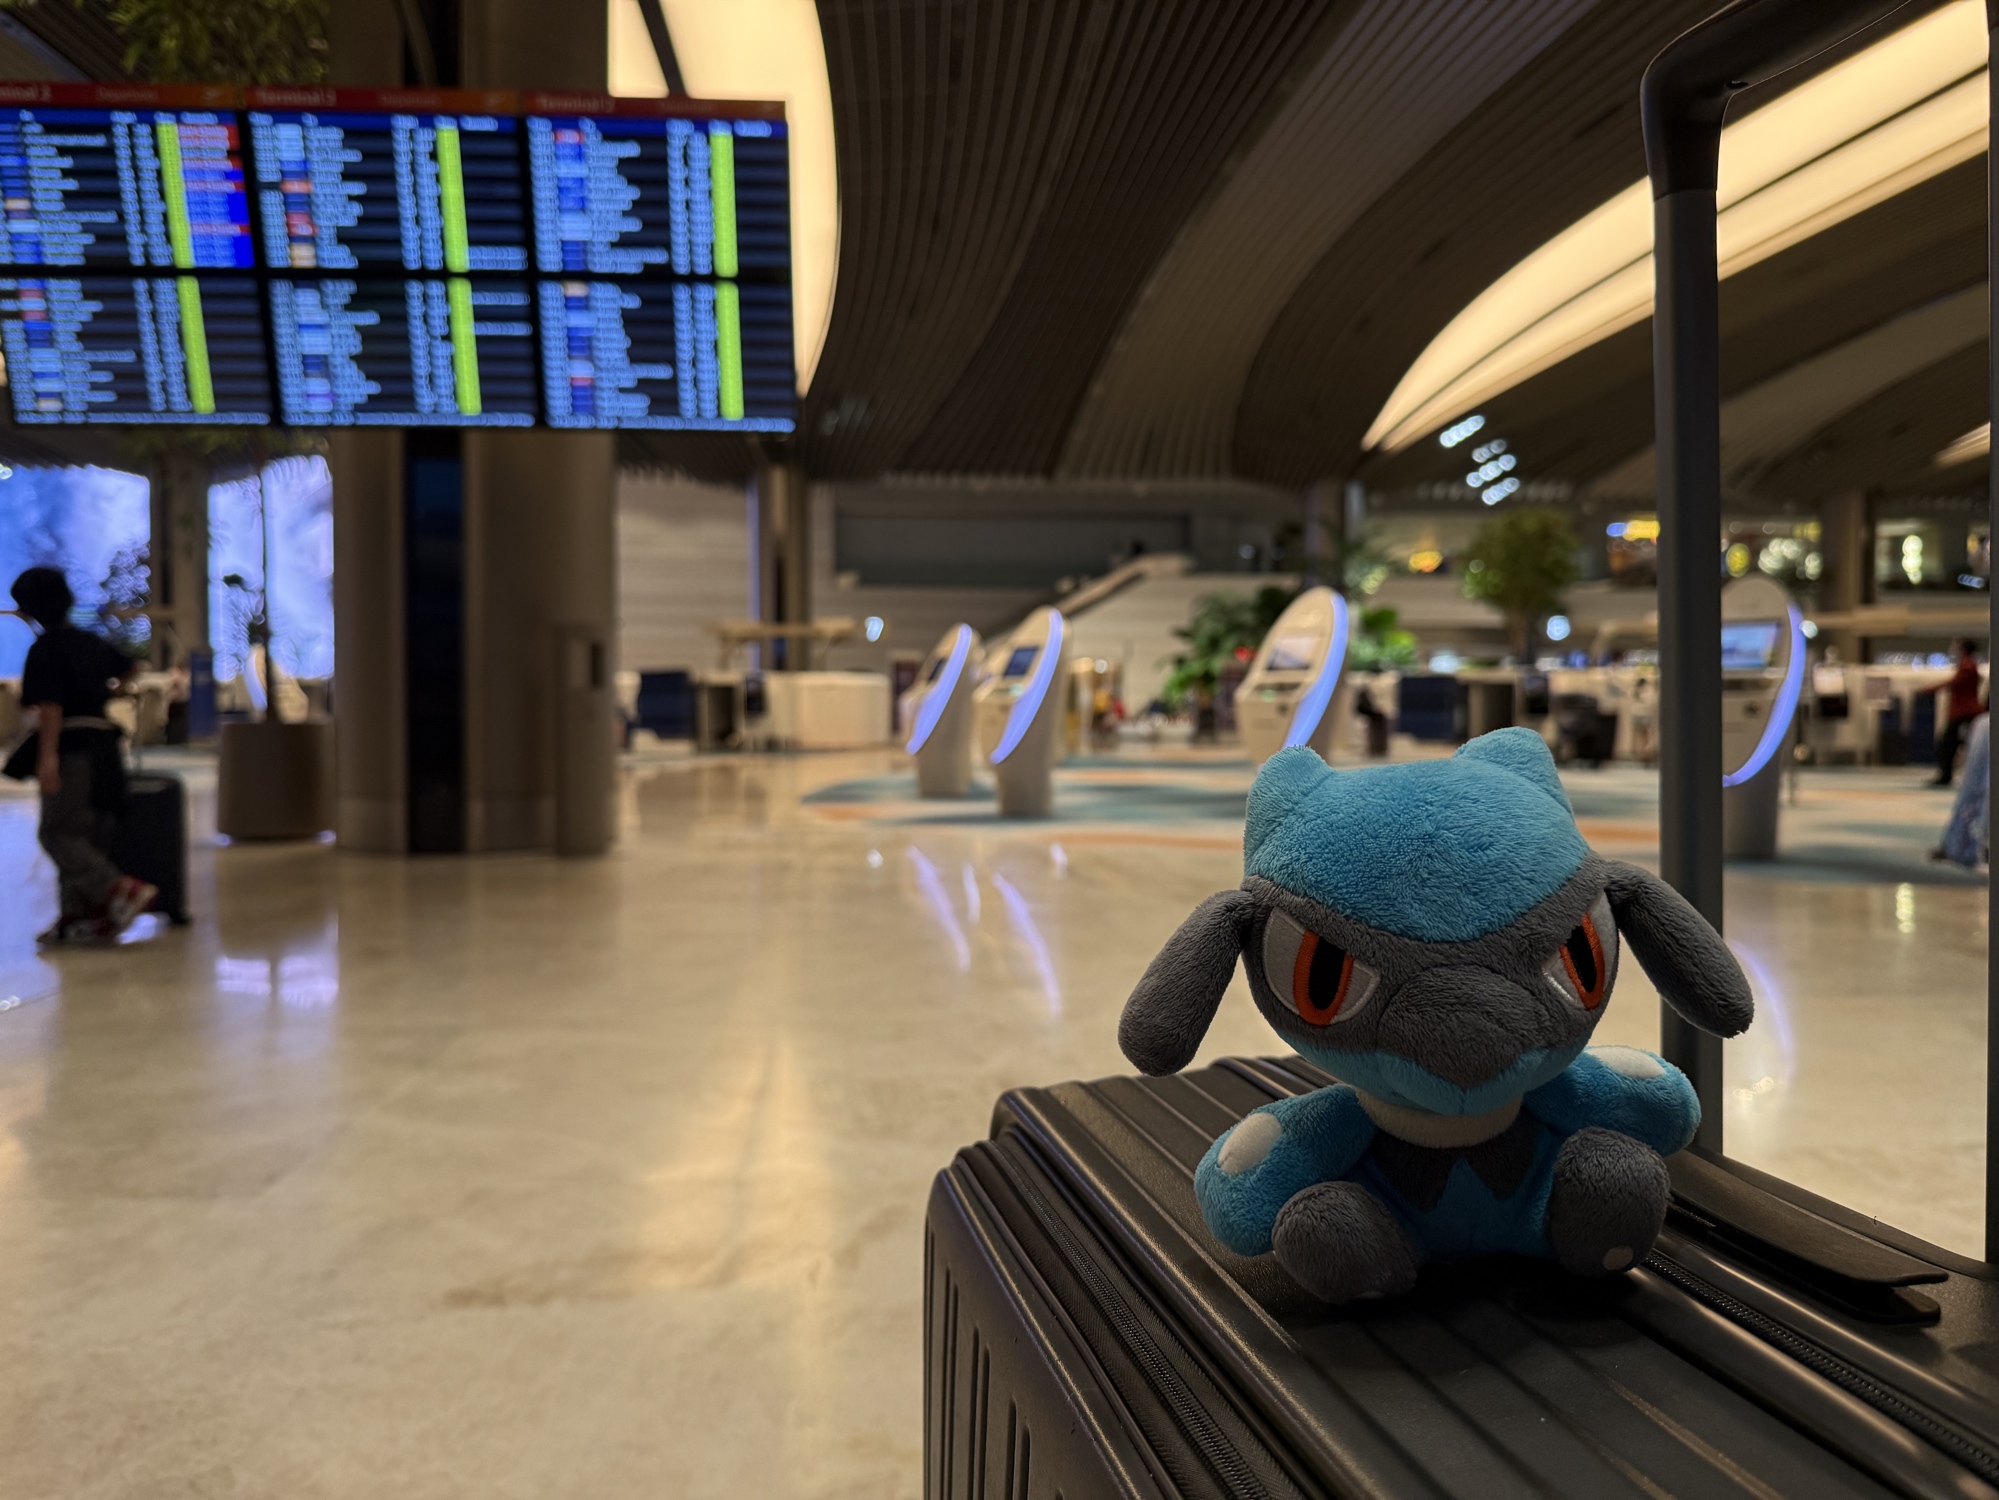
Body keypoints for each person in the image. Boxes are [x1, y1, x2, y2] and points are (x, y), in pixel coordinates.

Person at [9, 567, 156, 943]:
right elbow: (133, 666)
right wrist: (110, 691)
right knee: (88, 832)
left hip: (72, 746)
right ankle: (79, 917)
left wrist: (47, 759)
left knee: (57, 831)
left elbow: (51, 707)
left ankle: (119, 889)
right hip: (104, 746)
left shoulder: (45, 649)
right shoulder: (90, 642)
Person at [1932, 638, 1987, 787]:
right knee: (1955, 743)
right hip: (1966, 711)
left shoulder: (1967, 665)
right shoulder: (1970, 664)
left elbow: (1954, 682)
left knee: (1947, 743)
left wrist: (1930, 688)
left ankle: (1946, 776)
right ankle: (1947, 775)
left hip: (1964, 712)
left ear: (1963, 649)